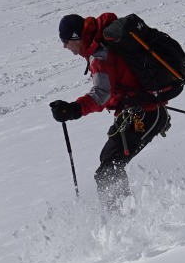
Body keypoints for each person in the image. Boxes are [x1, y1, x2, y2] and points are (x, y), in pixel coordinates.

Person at [50, 12, 171, 207]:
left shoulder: (100, 55)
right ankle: (123, 217)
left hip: (146, 114)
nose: (64, 46)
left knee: (108, 171)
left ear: (75, 37)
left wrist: (74, 109)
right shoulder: (100, 45)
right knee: (108, 161)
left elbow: (101, 94)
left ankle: (123, 223)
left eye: (65, 41)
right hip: (136, 112)